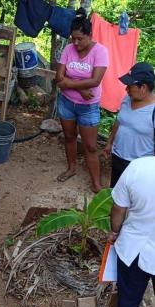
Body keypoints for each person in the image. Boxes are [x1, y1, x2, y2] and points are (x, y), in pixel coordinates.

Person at [55, 7, 109, 193]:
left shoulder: (100, 52)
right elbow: (58, 78)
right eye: (73, 38)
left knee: (91, 146)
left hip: (88, 106)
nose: (76, 42)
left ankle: (96, 182)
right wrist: (80, 87)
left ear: (90, 35)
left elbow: (96, 80)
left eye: (80, 39)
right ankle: (71, 168)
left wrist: (69, 83)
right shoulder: (68, 49)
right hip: (67, 103)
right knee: (69, 137)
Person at [109, 156, 155, 307]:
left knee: (128, 301)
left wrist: (114, 231)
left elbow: (119, 209)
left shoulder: (137, 167)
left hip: (133, 248)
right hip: (137, 249)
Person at [103, 62, 155, 187]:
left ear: (143, 87)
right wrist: (109, 143)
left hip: (139, 166)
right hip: (118, 157)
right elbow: (119, 121)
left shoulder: (153, 111)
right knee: (114, 193)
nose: (126, 90)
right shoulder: (127, 99)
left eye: (130, 86)